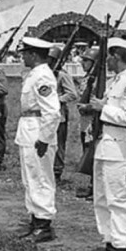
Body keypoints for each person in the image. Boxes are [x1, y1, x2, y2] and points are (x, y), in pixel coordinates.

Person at [80, 38, 126, 251]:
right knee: (102, 197)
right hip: (104, 142)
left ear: (117, 56)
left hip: (120, 144)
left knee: (120, 198)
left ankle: (122, 250)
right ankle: (109, 242)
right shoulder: (114, 82)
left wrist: (102, 109)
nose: (105, 60)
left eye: (108, 56)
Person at [15, 37, 61, 243]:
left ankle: (43, 223)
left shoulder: (43, 76)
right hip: (28, 129)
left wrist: (44, 138)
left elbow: (52, 112)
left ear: (34, 55)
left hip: (38, 131)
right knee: (30, 177)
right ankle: (35, 218)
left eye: (25, 53)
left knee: (41, 178)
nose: (22, 56)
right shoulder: (33, 75)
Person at [47, 45, 78, 183]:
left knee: (58, 145)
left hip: (59, 116)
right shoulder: (45, 74)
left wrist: (57, 99)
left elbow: (72, 94)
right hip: (45, 115)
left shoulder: (62, 75)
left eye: (50, 59)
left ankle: (57, 171)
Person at [75, 46, 101, 199]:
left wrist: (88, 107)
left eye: (86, 60)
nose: (82, 63)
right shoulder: (87, 79)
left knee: (94, 154)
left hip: (93, 121)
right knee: (87, 153)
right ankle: (92, 186)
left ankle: (96, 187)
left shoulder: (99, 81)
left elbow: (99, 102)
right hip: (84, 122)